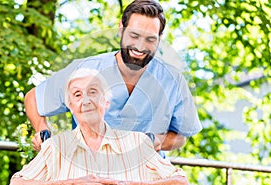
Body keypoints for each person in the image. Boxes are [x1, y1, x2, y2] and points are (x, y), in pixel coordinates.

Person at [25, 0, 202, 152]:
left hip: (145, 178)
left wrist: (156, 141)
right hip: (88, 174)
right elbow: (34, 98)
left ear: (160, 38)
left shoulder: (173, 80)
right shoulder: (87, 69)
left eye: (150, 39)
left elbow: (180, 136)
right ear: (121, 29)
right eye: (134, 35)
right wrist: (42, 130)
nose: (140, 46)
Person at [7, 68, 190, 185]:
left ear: (106, 102)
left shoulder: (136, 142)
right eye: (77, 95)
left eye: (92, 92)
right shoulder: (56, 147)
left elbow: (182, 183)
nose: (85, 101)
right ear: (70, 107)